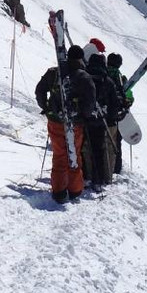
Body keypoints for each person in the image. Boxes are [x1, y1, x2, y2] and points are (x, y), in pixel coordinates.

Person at [36, 44, 98, 204]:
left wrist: (46, 107)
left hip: (55, 121)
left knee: (59, 155)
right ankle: (75, 189)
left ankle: (59, 191)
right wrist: (84, 116)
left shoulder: (54, 73)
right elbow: (90, 102)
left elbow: (40, 90)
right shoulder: (84, 77)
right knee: (74, 155)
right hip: (75, 123)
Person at [82, 40, 118, 188]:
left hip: (86, 118)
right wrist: (111, 118)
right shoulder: (108, 81)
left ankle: (86, 174)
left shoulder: (85, 78)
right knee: (99, 148)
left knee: (85, 147)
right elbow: (113, 103)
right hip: (101, 120)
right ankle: (99, 178)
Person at [105, 52, 133, 174]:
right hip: (116, 116)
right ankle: (115, 168)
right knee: (116, 142)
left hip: (99, 114)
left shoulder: (101, 73)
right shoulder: (121, 79)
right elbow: (129, 97)